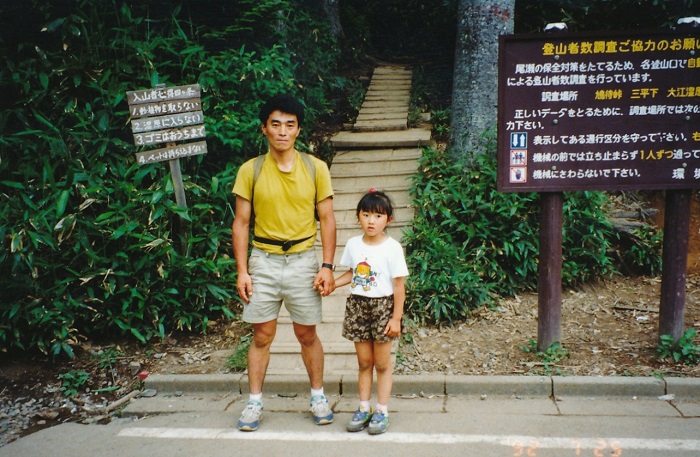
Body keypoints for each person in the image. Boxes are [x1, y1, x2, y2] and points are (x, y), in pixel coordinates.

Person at [231, 94, 337, 432]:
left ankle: (318, 396)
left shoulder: (315, 167)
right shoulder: (251, 170)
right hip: (263, 259)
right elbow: (242, 222)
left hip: (304, 259)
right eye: (275, 124)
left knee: (307, 333)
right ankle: (254, 402)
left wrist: (328, 265)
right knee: (262, 334)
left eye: (290, 125)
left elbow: (328, 218)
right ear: (264, 129)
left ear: (298, 130)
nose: (282, 131)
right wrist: (243, 270)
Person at [334, 189, 408, 435]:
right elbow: (353, 273)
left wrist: (396, 318)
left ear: (389, 219)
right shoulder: (354, 244)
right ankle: (363, 408)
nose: (371, 221)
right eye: (366, 215)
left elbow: (399, 286)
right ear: (358, 217)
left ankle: (382, 410)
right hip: (358, 306)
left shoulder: (393, 247)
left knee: (382, 364)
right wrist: (333, 283)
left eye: (377, 216)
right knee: (364, 362)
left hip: (383, 308)